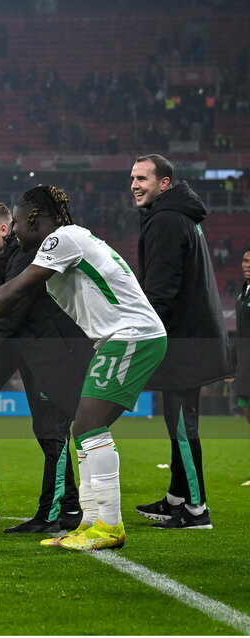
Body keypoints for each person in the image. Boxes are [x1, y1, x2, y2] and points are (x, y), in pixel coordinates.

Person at [0, 185, 167, 550]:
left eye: (18, 221)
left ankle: (107, 526)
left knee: (88, 425)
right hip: (117, 338)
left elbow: (14, 294)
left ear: (32, 218)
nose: (14, 230)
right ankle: (91, 523)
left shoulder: (61, 240)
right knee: (84, 427)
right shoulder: (69, 240)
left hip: (131, 335)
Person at [0, 200, 87, 533]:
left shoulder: (24, 256)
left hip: (56, 355)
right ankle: (68, 509)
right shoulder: (2, 261)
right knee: (47, 431)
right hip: (38, 355)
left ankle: (52, 514)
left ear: (3, 229)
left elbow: (8, 316)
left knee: (52, 432)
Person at [130, 154, 231, 529]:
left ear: (165, 183)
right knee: (179, 423)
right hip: (192, 337)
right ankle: (177, 497)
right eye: (132, 178)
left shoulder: (167, 221)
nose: (134, 185)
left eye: (143, 178)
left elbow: (161, 291)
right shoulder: (178, 216)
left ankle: (196, 509)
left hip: (183, 341)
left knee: (181, 426)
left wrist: (135, 330)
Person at [235, 248, 250, 432]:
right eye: (245, 260)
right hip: (244, 365)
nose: (248, 265)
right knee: (246, 409)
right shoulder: (242, 292)